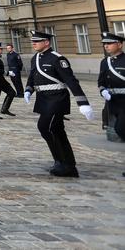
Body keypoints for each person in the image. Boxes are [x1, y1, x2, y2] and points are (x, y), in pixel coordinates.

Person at [24, 30, 94, 177]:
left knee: (45, 127)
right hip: (43, 98)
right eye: (33, 41)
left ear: (47, 42)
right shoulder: (35, 58)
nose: (34, 43)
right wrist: (28, 89)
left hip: (57, 98)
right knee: (56, 131)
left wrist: (82, 102)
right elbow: (32, 76)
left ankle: (65, 163)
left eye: (37, 41)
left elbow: (70, 80)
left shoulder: (57, 59)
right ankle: (63, 162)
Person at [97, 31, 125, 177]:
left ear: (119, 44)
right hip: (114, 102)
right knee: (120, 131)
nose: (106, 46)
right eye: (105, 44)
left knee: (121, 129)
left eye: (109, 43)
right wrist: (103, 91)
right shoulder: (104, 62)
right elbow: (101, 82)